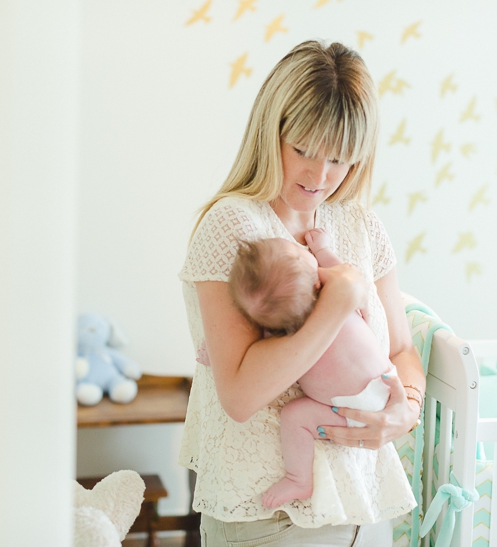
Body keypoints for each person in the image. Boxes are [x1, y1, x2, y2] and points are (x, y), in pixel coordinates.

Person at [178, 40, 425, 547]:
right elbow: (241, 396)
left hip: (361, 506)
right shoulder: (234, 227)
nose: (320, 176)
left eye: (339, 158)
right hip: (271, 519)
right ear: (273, 132)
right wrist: (335, 305)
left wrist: (407, 410)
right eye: (304, 150)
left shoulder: (359, 226)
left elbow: (400, 347)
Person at [222, 229, 402, 509]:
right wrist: (322, 249)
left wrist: (215, 353)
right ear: (316, 284)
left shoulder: (280, 340)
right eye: (296, 254)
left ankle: (298, 478)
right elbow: (344, 272)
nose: (300, 249)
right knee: (295, 414)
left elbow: (255, 363)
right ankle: (299, 480)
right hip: (385, 387)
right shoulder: (334, 293)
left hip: (349, 410)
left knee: (294, 417)